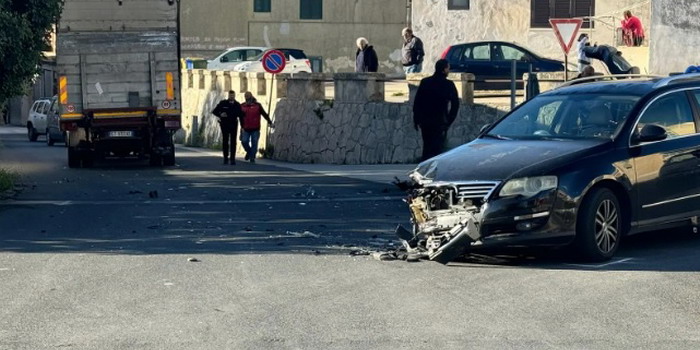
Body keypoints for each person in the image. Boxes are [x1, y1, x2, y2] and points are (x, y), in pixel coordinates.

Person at [413, 59, 459, 161]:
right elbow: (455, 104)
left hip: (425, 121)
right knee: (437, 149)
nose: (449, 70)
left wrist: (416, 119)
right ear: (443, 70)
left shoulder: (425, 82)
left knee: (427, 147)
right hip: (440, 122)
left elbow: (417, 102)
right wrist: (449, 120)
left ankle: (425, 169)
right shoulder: (448, 84)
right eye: (448, 68)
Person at [240, 91, 274, 163]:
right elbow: (239, 116)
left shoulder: (257, 106)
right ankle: (249, 152)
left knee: (254, 142)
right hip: (245, 128)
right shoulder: (242, 106)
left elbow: (264, 114)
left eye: (248, 96)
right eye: (245, 96)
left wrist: (270, 122)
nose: (246, 97)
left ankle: (252, 157)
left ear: (251, 96)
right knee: (244, 141)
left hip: (255, 128)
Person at [212, 90, 244, 165]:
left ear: (234, 96)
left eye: (233, 96)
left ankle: (232, 158)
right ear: (228, 95)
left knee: (233, 142)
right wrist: (220, 114)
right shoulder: (223, 103)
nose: (231, 97)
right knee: (225, 141)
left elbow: (241, 116)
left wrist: (242, 127)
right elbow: (215, 111)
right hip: (224, 124)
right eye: (230, 95)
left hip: (233, 124)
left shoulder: (237, 105)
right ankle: (225, 157)